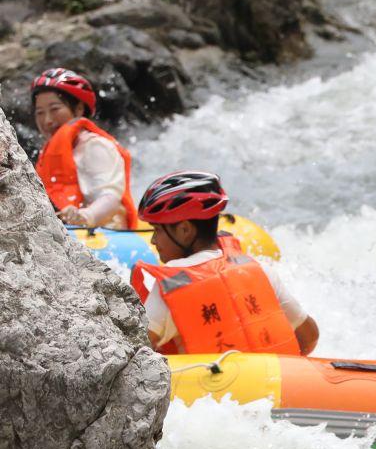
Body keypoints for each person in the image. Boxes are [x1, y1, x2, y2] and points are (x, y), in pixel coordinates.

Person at [131, 171, 319, 356]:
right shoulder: (260, 270)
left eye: (157, 230)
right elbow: (309, 337)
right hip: (276, 383)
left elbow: (133, 356)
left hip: (210, 386)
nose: (154, 241)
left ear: (185, 230)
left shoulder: (171, 287)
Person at [30, 68, 139, 229]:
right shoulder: (48, 153)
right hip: (73, 232)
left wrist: (84, 216)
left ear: (79, 108)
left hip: (106, 234)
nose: (47, 120)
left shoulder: (95, 146)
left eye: (55, 109)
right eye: (40, 112)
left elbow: (110, 198)